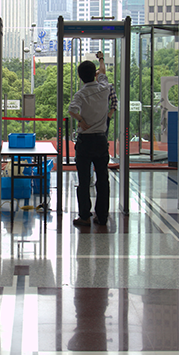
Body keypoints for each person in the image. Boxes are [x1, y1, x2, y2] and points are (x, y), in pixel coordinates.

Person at [68, 51, 111, 227]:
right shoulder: (104, 88)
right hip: (101, 140)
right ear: (95, 75)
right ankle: (101, 216)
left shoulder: (80, 94)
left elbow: (72, 110)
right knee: (102, 179)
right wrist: (101, 59)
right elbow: (103, 72)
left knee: (84, 180)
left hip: (85, 142)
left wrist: (81, 121)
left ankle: (84, 216)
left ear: (80, 77)